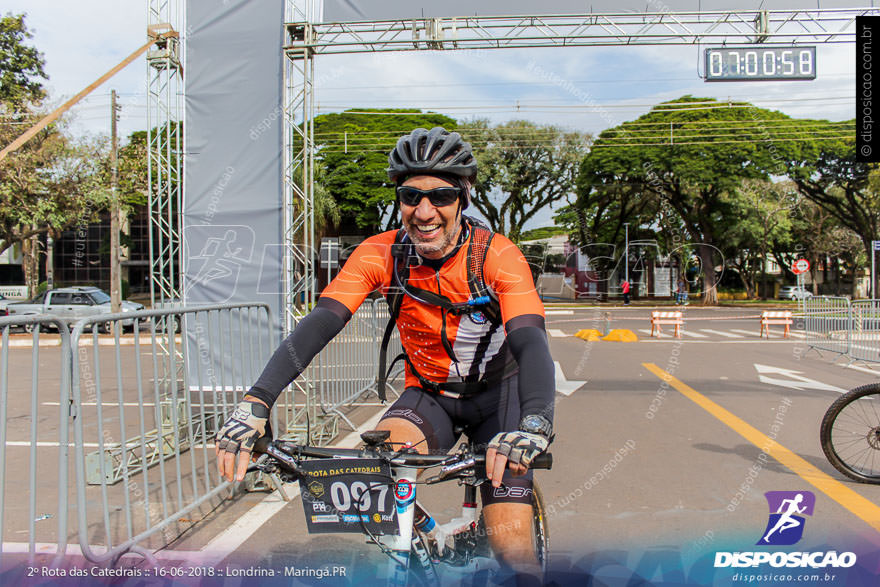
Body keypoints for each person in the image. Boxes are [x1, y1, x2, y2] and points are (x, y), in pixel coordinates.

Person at [214, 127, 556, 581]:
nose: (425, 210)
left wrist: (534, 423)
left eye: (442, 195)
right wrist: (255, 403)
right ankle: (426, 536)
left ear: (464, 198)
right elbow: (321, 323)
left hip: (500, 396)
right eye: (411, 195)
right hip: (430, 392)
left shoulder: (496, 255)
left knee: (512, 552)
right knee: (380, 468)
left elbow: (531, 340)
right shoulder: (380, 253)